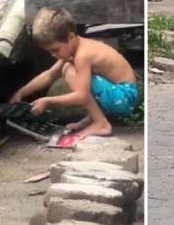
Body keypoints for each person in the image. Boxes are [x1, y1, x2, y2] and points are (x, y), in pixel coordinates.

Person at [10, 7, 138, 137]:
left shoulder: (83, 55)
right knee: (68, 68)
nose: (53, 55)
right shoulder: (74, 50)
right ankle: (94, 119)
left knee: (69, 70)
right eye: (49, 51)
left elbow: (81, 96)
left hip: (124, 97)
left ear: (71, 37)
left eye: (55, 50)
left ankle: (101, 123)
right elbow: (49, 75)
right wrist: (21, 92)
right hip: (118, 94)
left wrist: (47, 101)